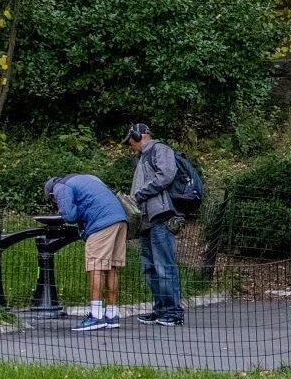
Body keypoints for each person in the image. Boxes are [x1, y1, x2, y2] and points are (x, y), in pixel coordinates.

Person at [46, 174, 129, 332]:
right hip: (120, 218)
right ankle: (111, 314)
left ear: (51, 192)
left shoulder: (60, 187)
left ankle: (96, 315)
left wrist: (74, 211)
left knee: (95, 267)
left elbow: (69, 216)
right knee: (111, 267)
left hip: (101, 223)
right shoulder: (86, 178)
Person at [127, 123, 186, 326]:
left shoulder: (160, 149)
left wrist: (141, 194)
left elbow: (166, 175)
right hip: (145, 220)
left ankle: (173, 312)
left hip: (160, 215)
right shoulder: (142, 157)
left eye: (130, 139)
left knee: (164, 266)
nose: (130, 143)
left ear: (140, 135)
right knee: (150, 267)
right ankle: (160, 309)